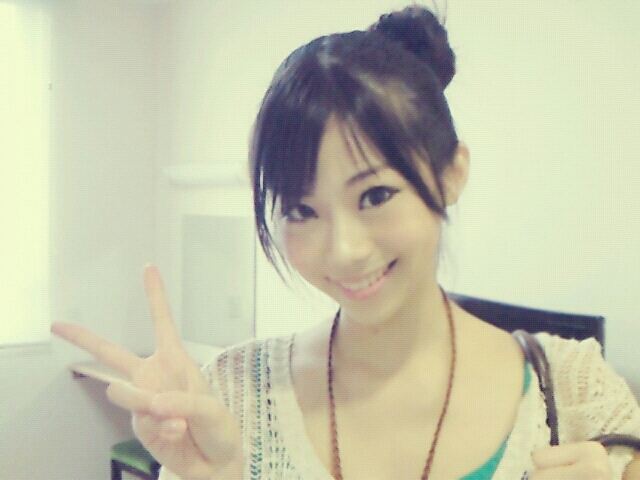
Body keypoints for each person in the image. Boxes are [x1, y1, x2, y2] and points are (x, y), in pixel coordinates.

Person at [52, 6, 640, 480]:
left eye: (375, 195)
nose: (344, 251)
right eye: (302, 210)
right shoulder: (234, 394)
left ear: (452, 173)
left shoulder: (575, 392)